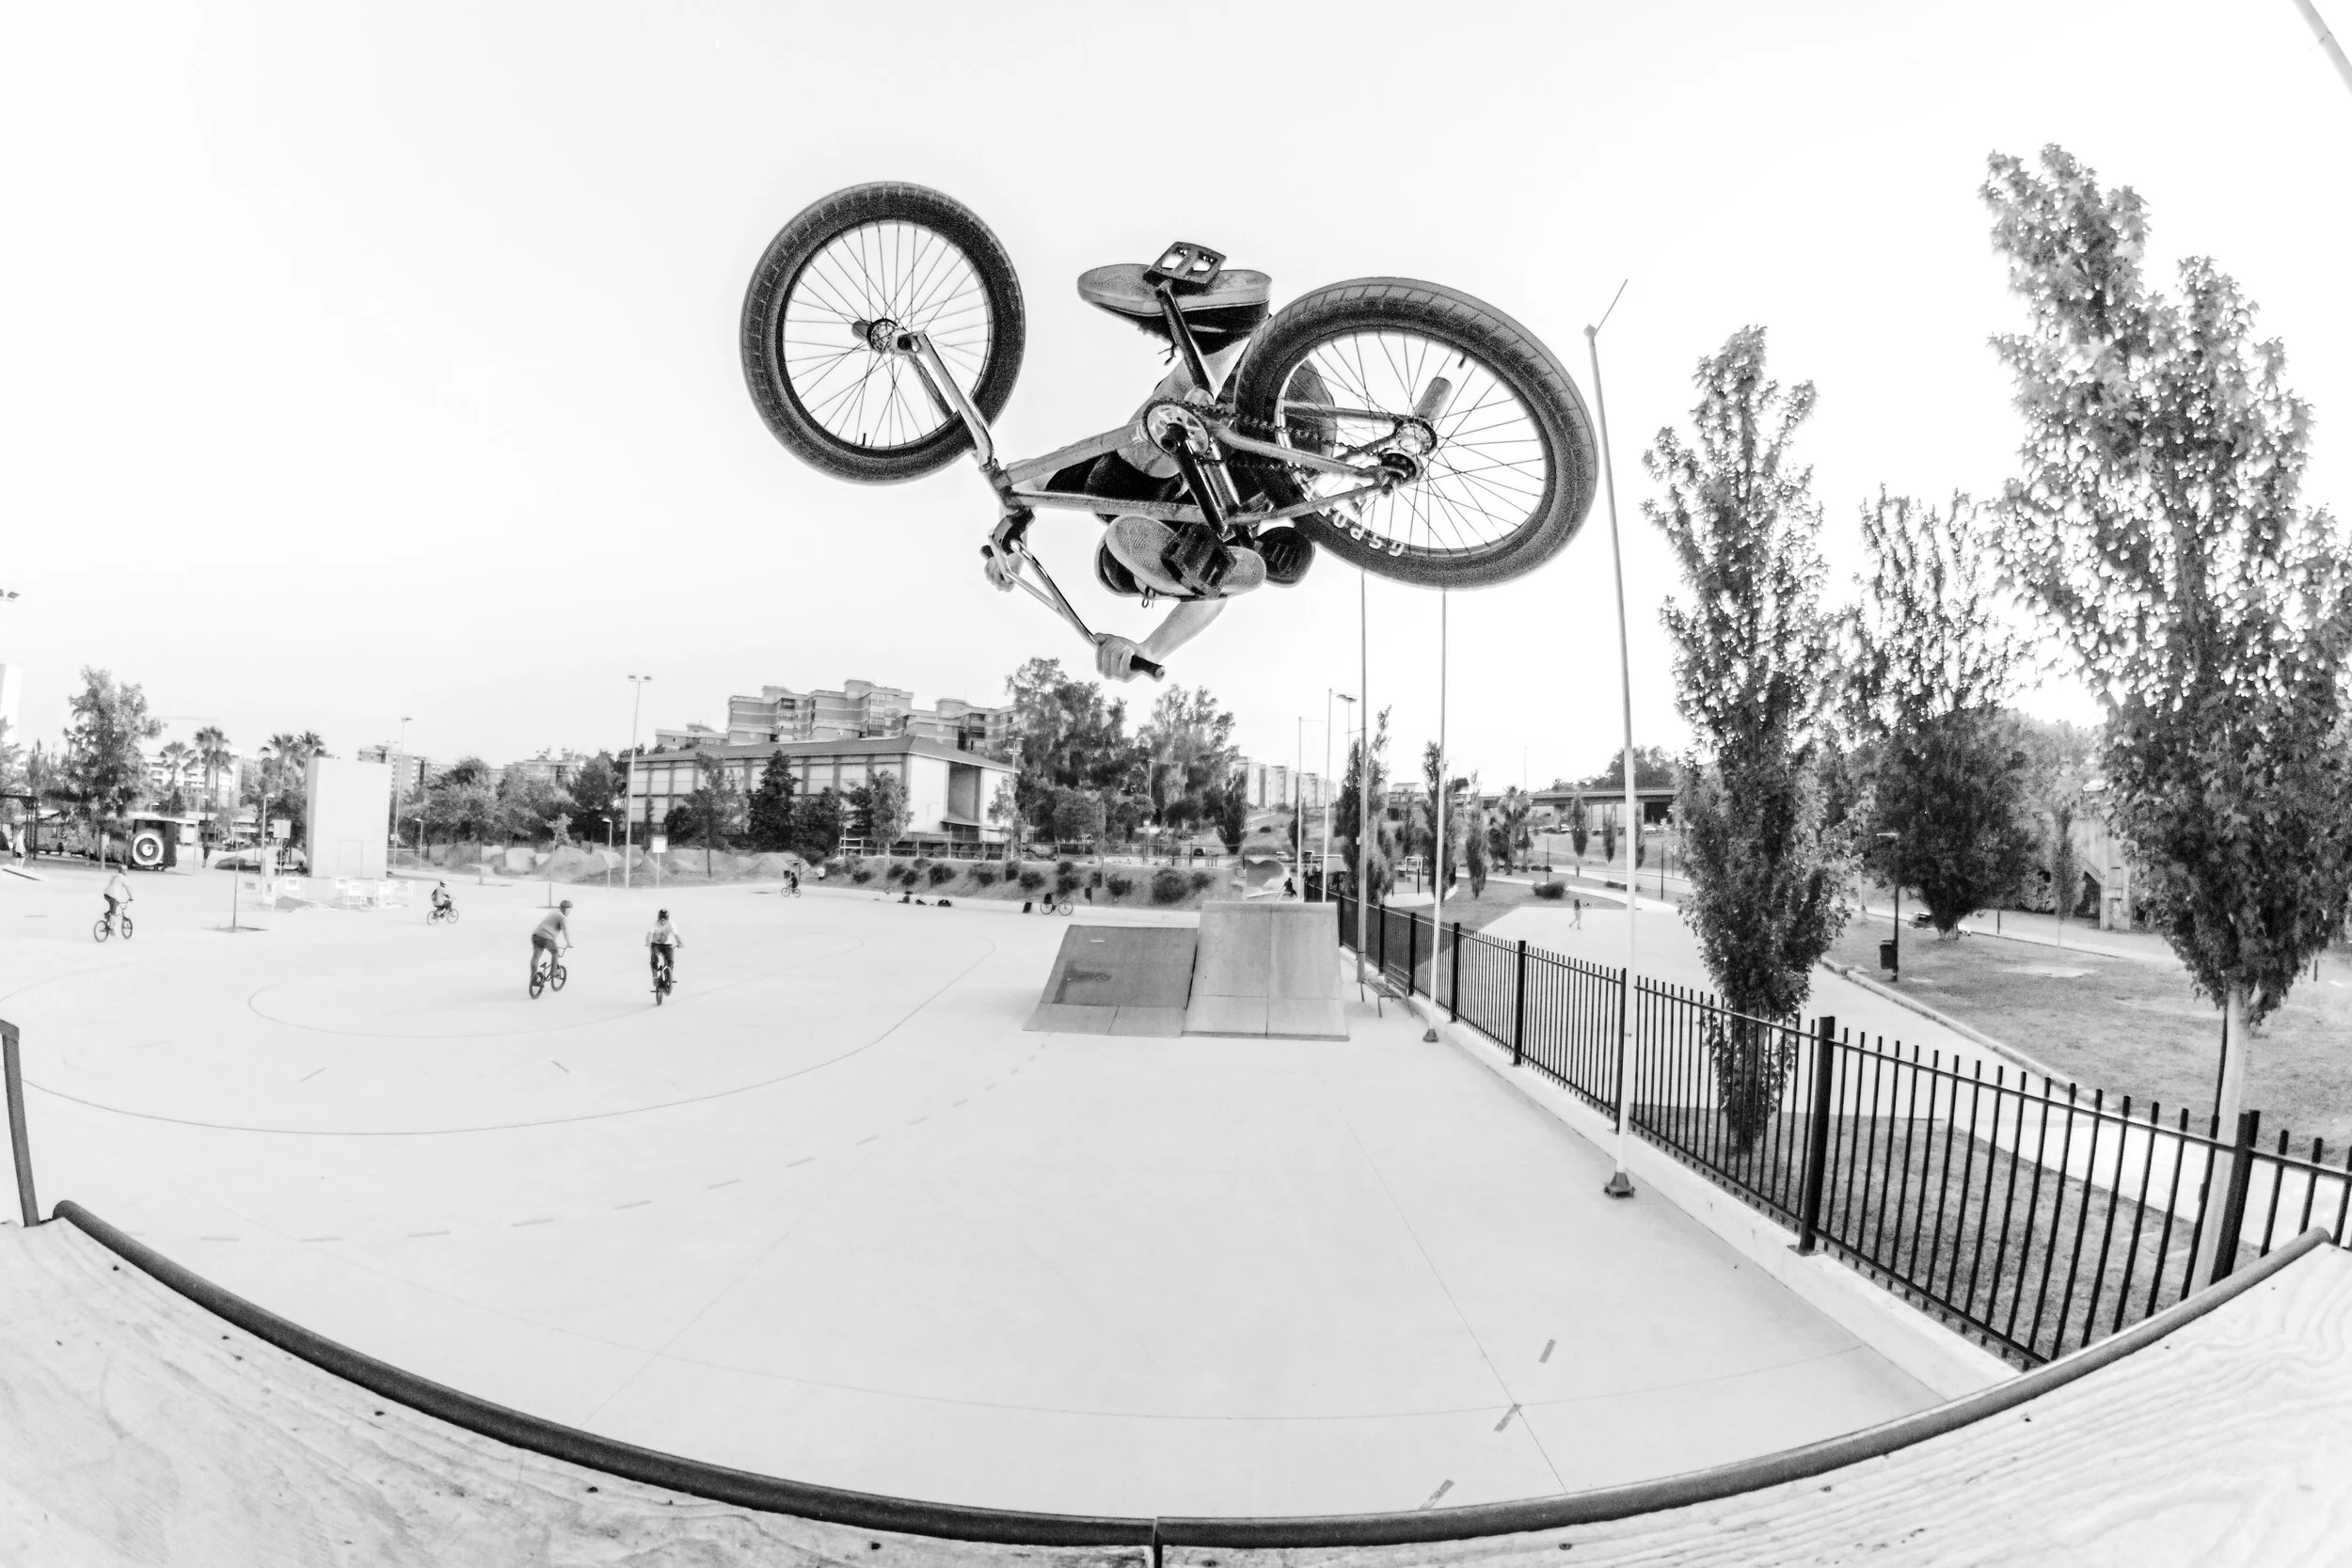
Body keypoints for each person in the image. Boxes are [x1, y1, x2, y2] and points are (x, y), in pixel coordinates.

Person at [532, 899, 572, 983]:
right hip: (546, 937)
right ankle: (554, 972)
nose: (569, 912)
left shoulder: (554, 912)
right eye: (569, 910)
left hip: (536, 935)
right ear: (564, 909)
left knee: (536, 956)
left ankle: (533, 977)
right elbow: (565, 932)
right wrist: (569, 943)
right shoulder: (562, 917)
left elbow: (550, 926)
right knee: (555, 952)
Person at [645, 909, 680, 988]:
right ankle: (655, 977)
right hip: (655, 945)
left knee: (670, 960)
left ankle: (669, 975)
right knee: (654, 958)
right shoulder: (654, 924)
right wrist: (648, 941)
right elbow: (649, 934)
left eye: (664, 919)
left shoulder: (671, 925)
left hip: (667, 945)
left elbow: (676, 935)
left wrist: (680, 943)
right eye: (661, 919)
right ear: (658, 918)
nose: (662, 921)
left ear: (667, 919)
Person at [102, 865, 134, 932]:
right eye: (126, 870)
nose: (127, 872)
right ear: (123, 871)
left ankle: (108, 915)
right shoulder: (123, 878)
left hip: (106, 894)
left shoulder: (114, 876)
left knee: (114, 905)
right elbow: (128, 889)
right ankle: (111, 929)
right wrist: (131, 897)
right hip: (113, 896)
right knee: (114, 912)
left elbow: (115, 885)